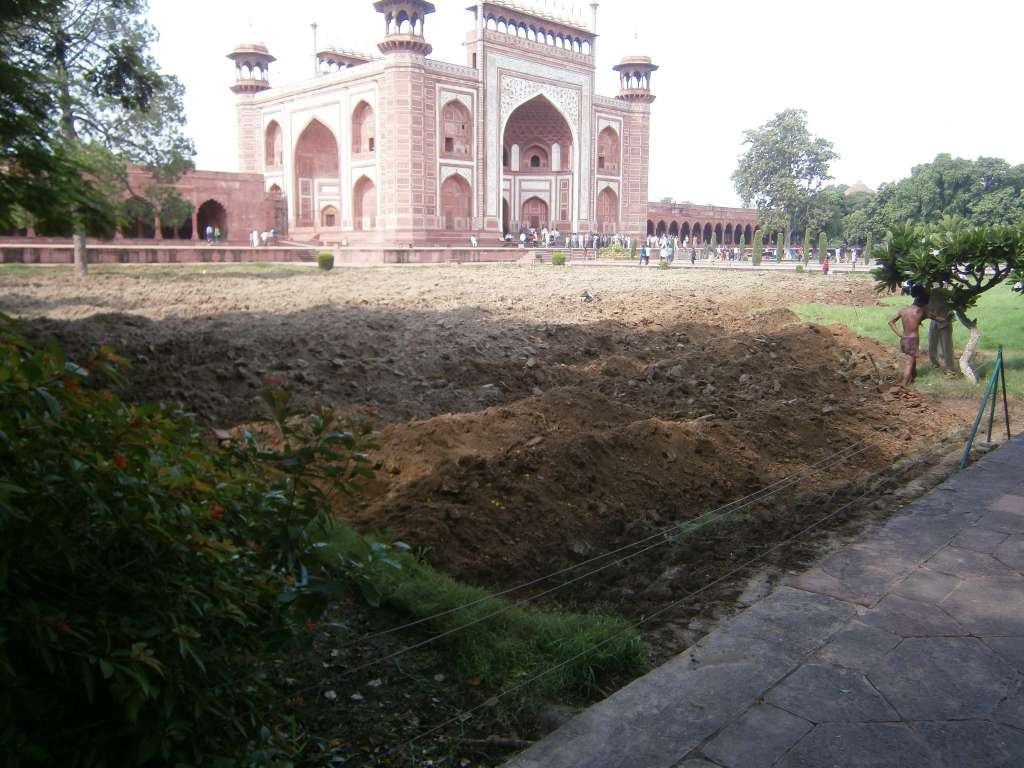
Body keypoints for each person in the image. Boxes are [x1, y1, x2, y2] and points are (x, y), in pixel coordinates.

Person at [889, 285, 938, 386]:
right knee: (909, 362)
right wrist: (947, 318)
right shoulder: (921, 310)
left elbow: (891, 322)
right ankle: (903, 385)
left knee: (911, 358)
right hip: (913, 339)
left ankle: (913, 377)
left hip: (904, 339)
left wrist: (899, 334)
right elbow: (936, 318)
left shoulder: (904, 309)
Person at [927, 285, 957, 374]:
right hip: (934, 322)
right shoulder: (931, 294)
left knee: (947, 346)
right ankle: (934, 363)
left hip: (945, 323)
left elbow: (952, 311)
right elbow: (928, 310)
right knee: (932, 344)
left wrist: (947, 319)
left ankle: (949, 368)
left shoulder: (947, 295)